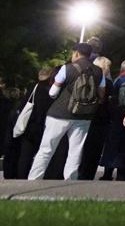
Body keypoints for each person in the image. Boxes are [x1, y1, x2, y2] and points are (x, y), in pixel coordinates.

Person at [27, 42, 106, 180]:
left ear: (76, 53)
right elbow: (101, 95)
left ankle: (34, 178)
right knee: (75, 150)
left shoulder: (67, 68)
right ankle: (70, 179)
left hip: (60, 114)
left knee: (47, 148)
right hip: (84, 116)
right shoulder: (99, 71)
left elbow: (52, 92)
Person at [98, 57, 125, 181]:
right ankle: (122, 174)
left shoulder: (118, 80)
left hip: (116, 118)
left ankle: (107, 173)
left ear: (123, 68)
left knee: (112, 146)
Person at [14, 67, 55, 178]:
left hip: (28, 126)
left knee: (25, 154)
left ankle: (22, 176)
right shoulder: (50, 90)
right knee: (44, 153)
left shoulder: (33, 87)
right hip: (42, 126)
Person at [78, 54, 113, 179]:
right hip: (101, 120)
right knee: (95, 150)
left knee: (81, 147)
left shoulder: (86, 79)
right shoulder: (108, 83)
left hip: (85, 116)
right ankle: (88, 175)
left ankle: (78, 171)